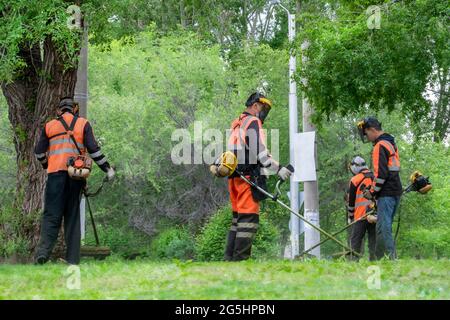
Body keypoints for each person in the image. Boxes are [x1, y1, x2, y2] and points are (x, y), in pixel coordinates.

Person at [34, 97, 115, 265]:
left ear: (59, 110)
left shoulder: (49, 126)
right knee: (72, 217)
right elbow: (94, 150)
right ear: (75, 109)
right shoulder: (83, 124)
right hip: (75, 178)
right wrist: (107, 168)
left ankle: (42, 254)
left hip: (55, 176)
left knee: (51, 215)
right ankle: (72, 260)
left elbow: (39, 153)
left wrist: (46, 164)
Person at [225, 92, 293, 261]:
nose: (263, 113)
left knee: (237, 222)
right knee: (248, 221)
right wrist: (278, 169)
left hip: (234, 178)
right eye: (263, 108)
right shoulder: (252, 122)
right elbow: (260, 152)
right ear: (255, 106)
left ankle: (229, 260)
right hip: (247, 179)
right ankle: (240, 261)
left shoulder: (237, 123)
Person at [358, 117, 402, 260]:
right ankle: (383, 259)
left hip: (387, 193)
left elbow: (381, 175)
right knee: (384, 226)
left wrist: (372, 192)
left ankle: (391, 260)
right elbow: (390, 171)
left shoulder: (379, 146)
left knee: (384, 229)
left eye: (366, 133)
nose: (367, 137)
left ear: (372, 129)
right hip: (395, 190)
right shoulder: (390, 143)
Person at [347, 156, 376, 260]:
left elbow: (351, 202)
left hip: (360, 216)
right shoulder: (375, 177)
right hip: (374, 214)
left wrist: (350, 217)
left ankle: (354, 261)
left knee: (356, 241)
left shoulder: (355, 180)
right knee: (374, 240)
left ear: (355, 166)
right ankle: (374, 260)